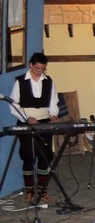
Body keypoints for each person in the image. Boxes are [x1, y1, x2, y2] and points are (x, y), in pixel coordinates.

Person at [9, 52, 59, 203]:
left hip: (44, 123)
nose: (40, 71)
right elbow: (14, 105)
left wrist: (53, 114)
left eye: (43, 69)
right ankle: (29, 190)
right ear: (31, 65)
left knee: (45, 157)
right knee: (28, 156)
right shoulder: (20, 81)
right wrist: (27, 118)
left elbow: (53, 102)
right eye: (38, 68)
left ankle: (42, 190)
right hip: (26, 123)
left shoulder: (48, 81)